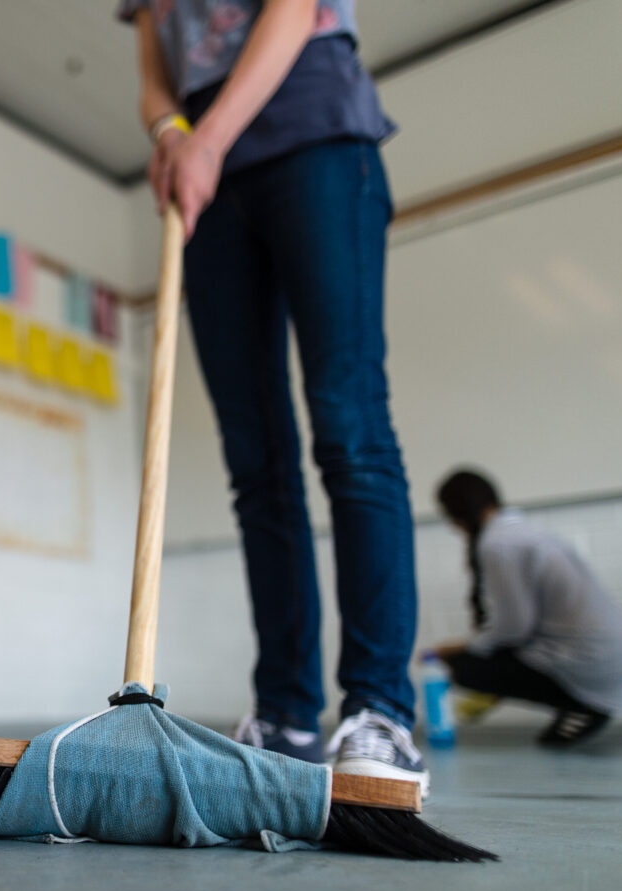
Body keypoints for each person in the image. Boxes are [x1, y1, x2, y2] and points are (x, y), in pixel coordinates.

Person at [120, 1, 428, 789]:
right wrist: (171, 134)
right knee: (254, 459)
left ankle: (380, 709)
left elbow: (292, 11)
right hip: (207, 179)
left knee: (349, 428)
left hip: (312, 131)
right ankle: (286, 714)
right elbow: (156, 72)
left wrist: (207, 140)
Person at [431, 470, 622, 746]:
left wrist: (462, 648)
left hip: (594, 662)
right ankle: (579, 706)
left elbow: (515, 626)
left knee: (464, 667)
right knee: (547, 735)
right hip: (620, 653)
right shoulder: (526, 530)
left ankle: (584, 705)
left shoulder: (497, 543)